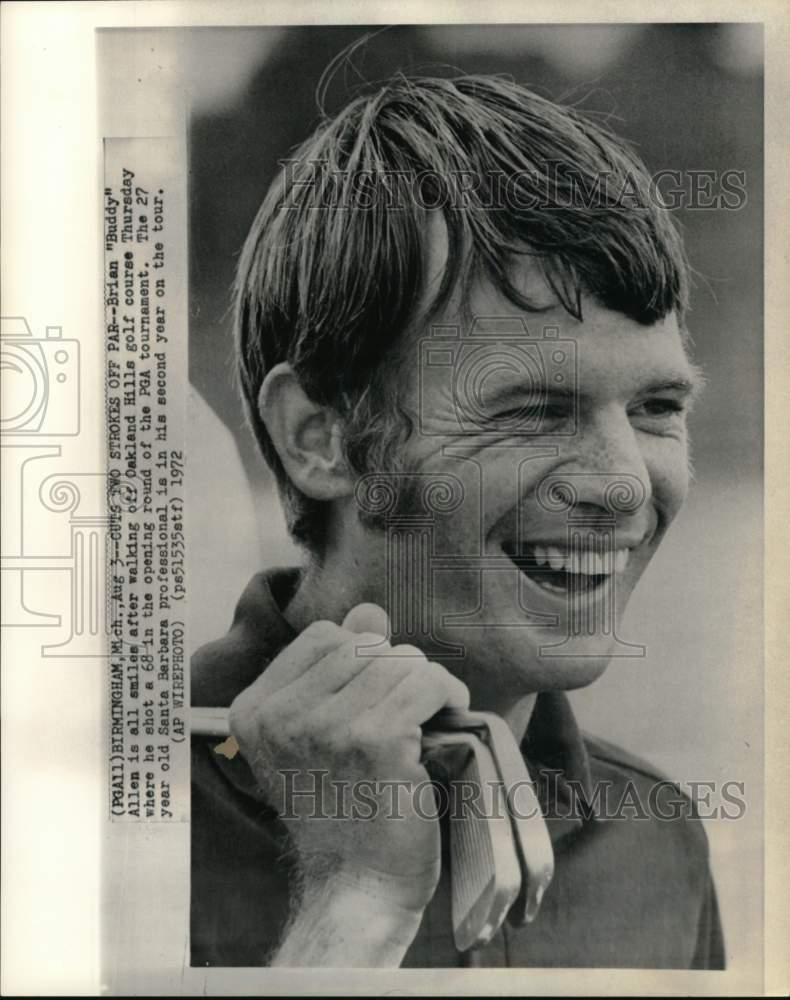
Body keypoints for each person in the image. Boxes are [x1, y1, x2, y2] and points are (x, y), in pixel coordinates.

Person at [190, 72, 724, 969]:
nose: (627, 486)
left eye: (657, 407)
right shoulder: (83, 815)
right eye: (531, 409)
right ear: (318, 437)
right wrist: (350, 910)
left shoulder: (656, 838)